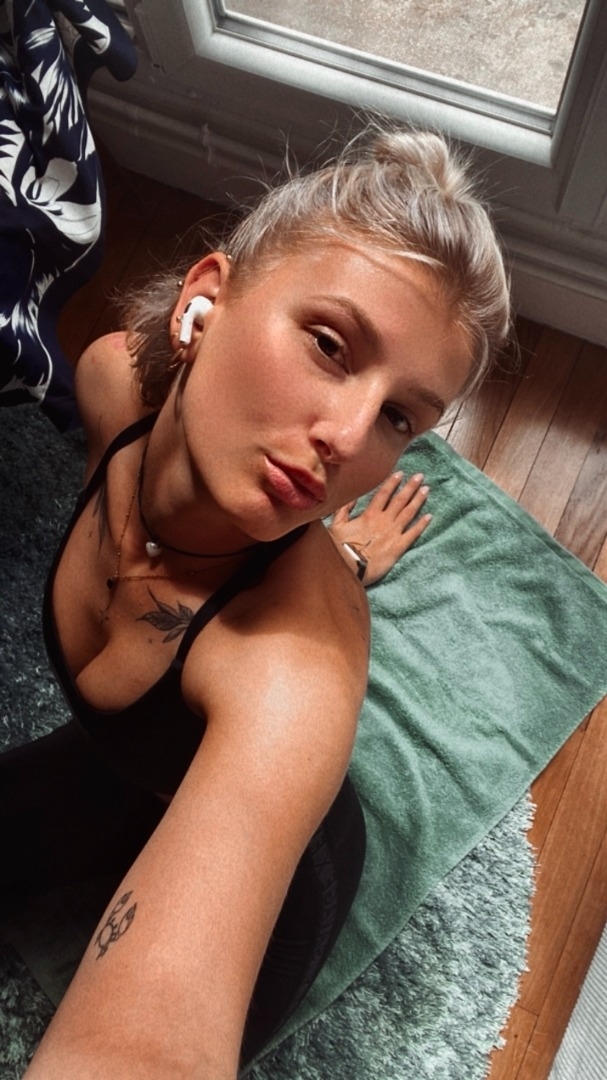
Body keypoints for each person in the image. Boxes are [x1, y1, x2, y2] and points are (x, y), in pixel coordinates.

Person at [5, 121, 509, 1078]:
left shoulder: (293, 674)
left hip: (294, 879)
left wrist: (331, 578)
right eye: (328, 345)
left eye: (399, 416)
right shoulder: (111, 383)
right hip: (122, 768)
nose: (348, 440)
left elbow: (146, 1055)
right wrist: (339, 552)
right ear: (205, 301)